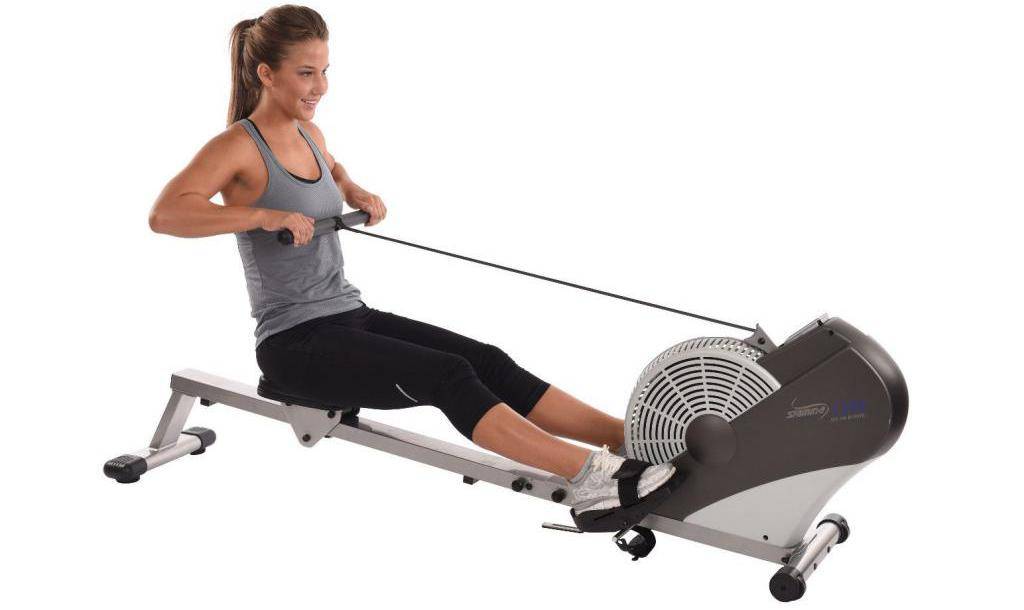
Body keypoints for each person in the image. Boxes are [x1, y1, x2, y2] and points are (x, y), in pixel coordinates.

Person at [147, 4, 678, 522]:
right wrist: (262, 215)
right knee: (446, 376)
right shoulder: (237, 146)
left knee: (486, 360)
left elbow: (332, 168)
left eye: (325, 71)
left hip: (347, 315)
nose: (320, 87)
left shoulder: (309, 133)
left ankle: (625, 438)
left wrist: (353, 189)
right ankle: (593, 476)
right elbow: (166, 214)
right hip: (294, 344)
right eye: (306, 73)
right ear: (266, 73)